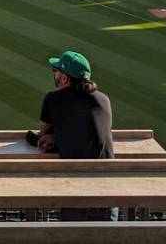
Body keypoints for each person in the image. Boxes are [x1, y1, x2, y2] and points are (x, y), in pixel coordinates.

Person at [39, 50, 114, 222]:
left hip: (76, 194)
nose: (55, 73)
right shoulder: (104, 99)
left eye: (56, 70)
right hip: (109, 195)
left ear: (64, 78)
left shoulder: (53, 99)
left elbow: (44, 134)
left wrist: (55, 137)